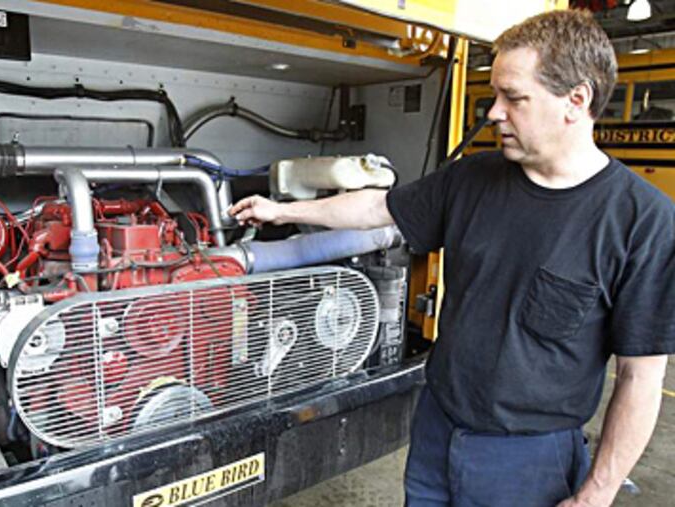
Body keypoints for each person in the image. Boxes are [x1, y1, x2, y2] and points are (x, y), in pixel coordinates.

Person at [230, 10, 674, 507]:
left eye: (514, 97)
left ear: (577, 100)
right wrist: (285, 209)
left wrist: (596, 494)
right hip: (438, 429)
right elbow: (380, 206)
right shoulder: (472, 179)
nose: (493, 112)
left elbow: (641, 377)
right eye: (496, 94)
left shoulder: (642, 221)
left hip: (529, 460)